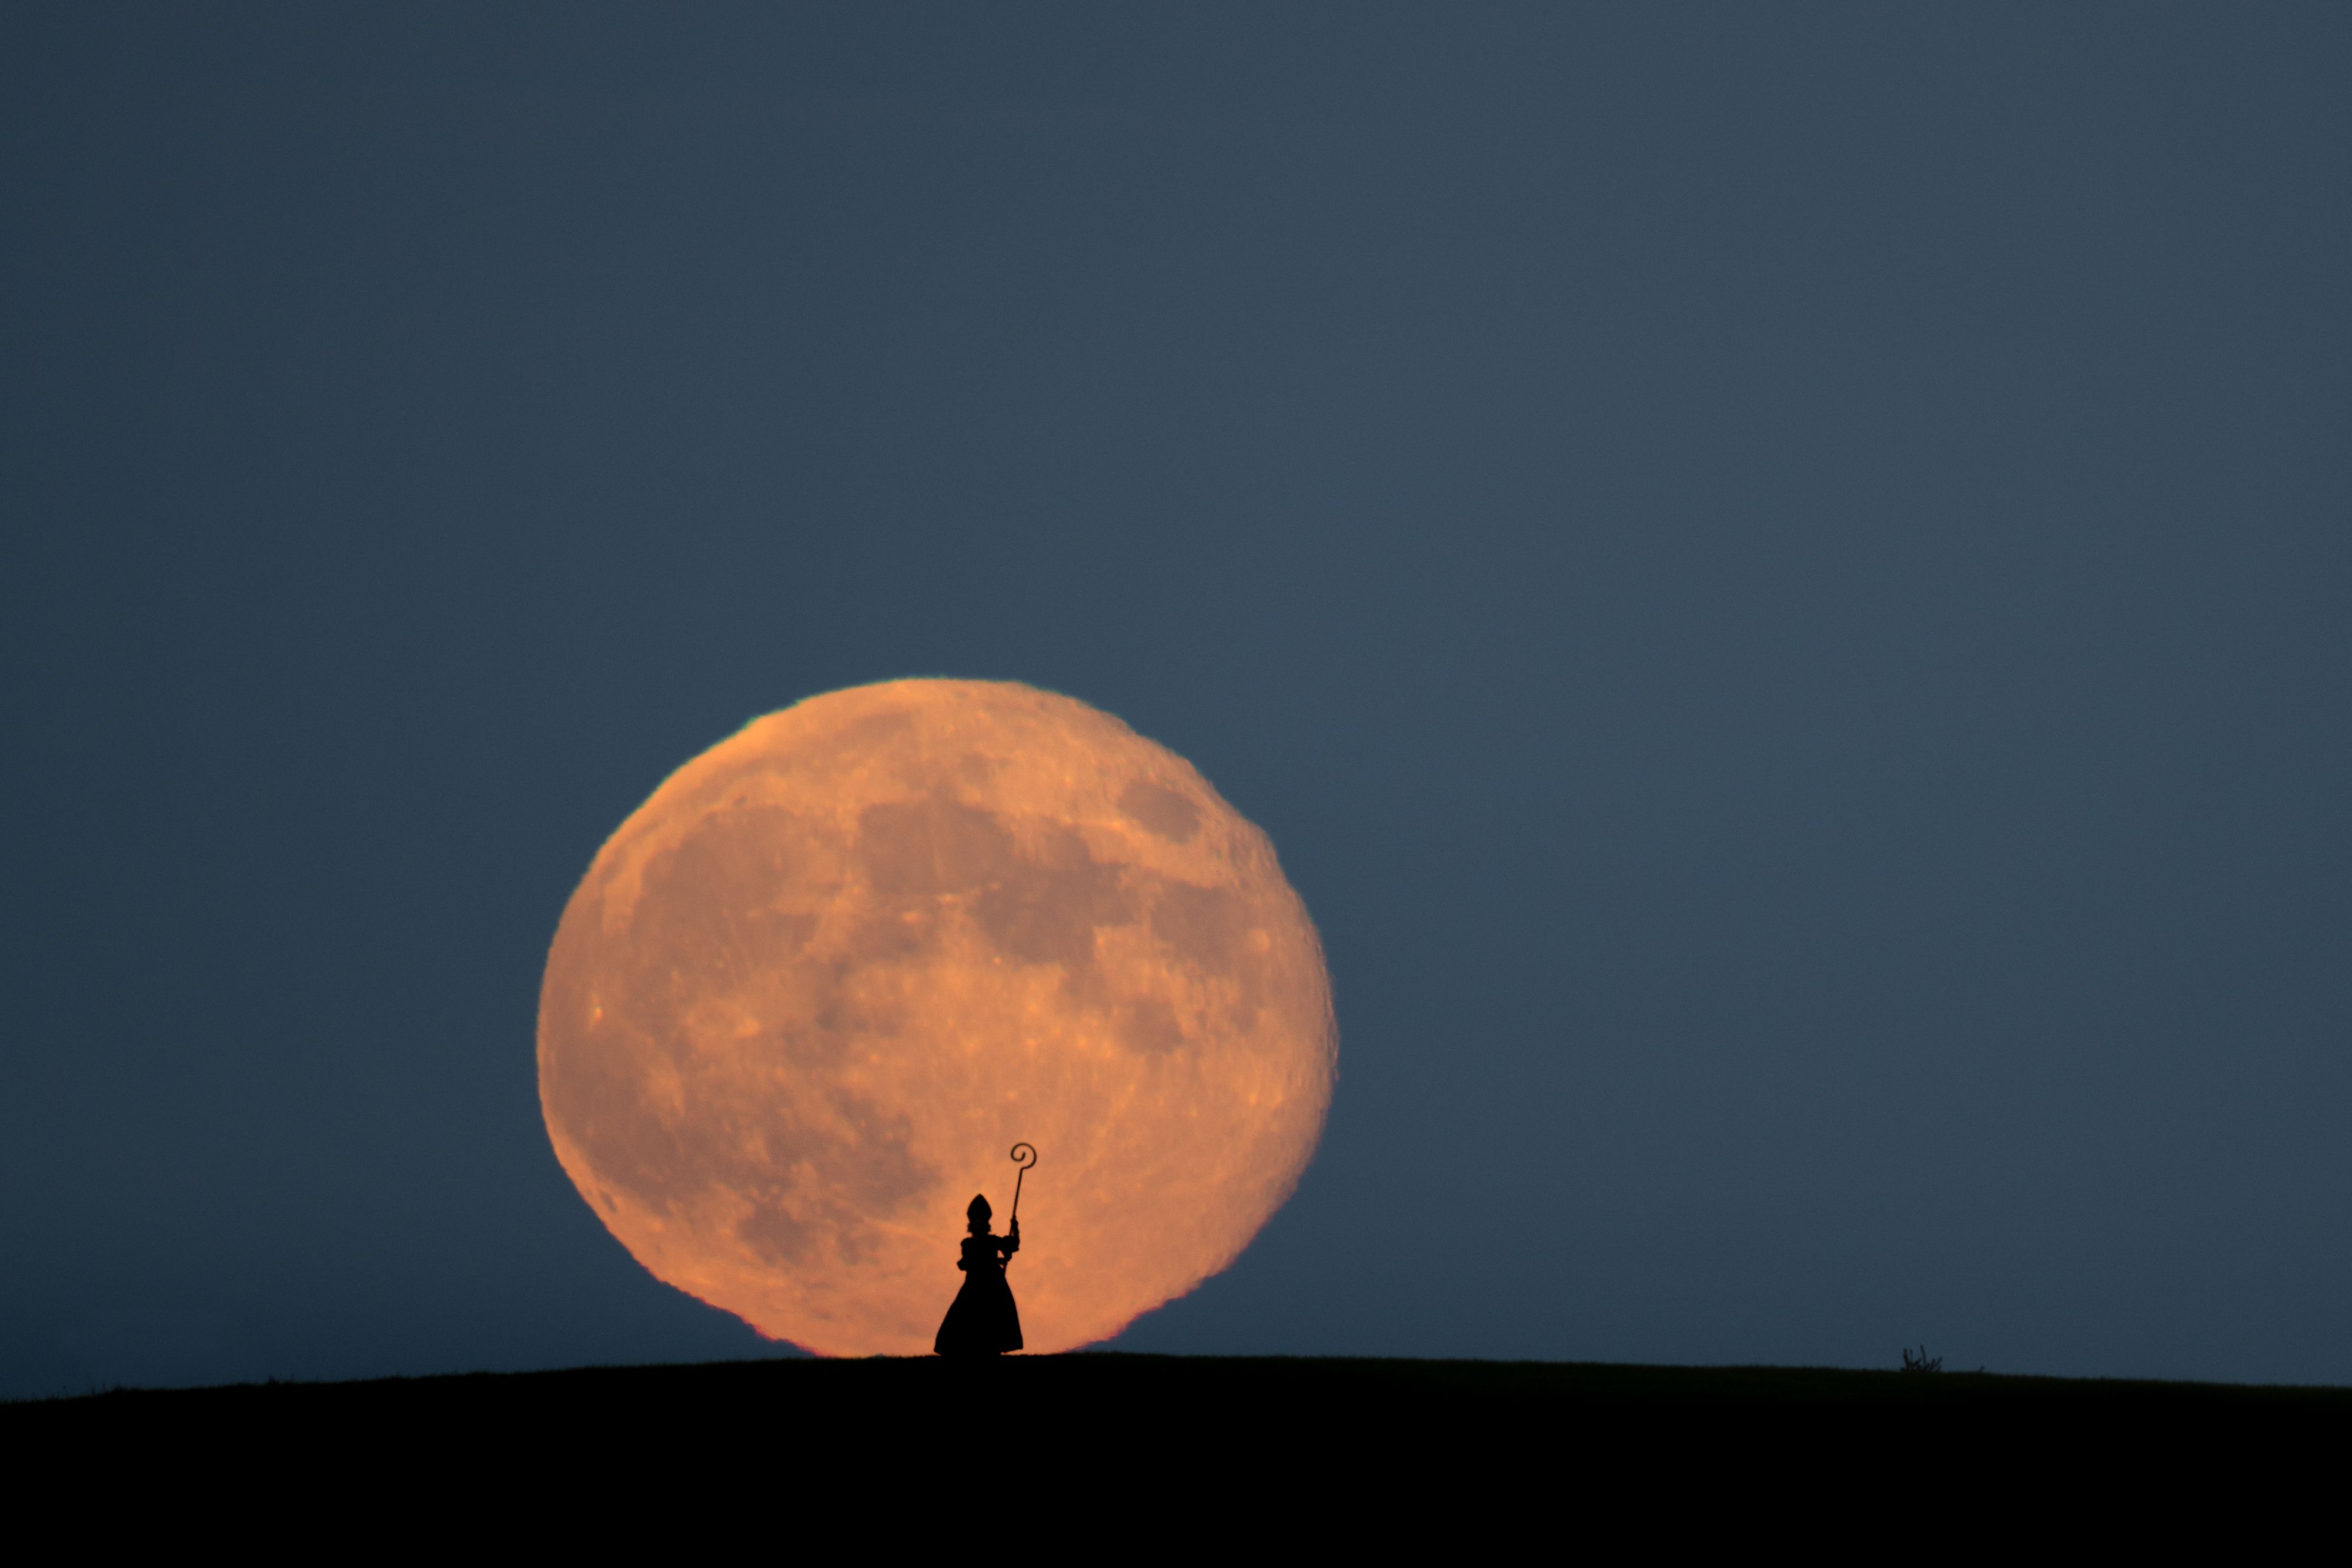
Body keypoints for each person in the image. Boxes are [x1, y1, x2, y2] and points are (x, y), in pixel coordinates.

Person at [933, 1193, 1023, 1356]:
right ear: (973, 1226)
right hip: (976, 1284)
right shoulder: (968, 1244)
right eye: (977, 1224)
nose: (980, 1226)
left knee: (993, 1317)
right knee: (968, 1315)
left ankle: (990, 1348)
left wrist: (1015, 1228)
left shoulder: (991, 1241)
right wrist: (999, 1259)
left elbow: (1013, 1245)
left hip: (993, 1285)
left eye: (982, 1223)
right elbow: (967, 1262)